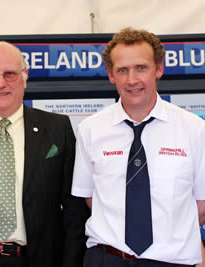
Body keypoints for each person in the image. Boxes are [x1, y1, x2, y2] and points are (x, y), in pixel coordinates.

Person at [0, 41, 89, 267]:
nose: (1, 83)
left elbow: (75, 209)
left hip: (42, 259)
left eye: (10, 74)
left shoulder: (57, 129)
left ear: (25, 76)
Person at [72, 27, 205, 266]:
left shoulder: (194, 129)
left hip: (170, 261)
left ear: (159, 69)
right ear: (111, 75)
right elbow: (91, 199)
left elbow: (202, 205)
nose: (132, 80)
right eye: (122, 70)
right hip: (106, 260)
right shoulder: (90, 130)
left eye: (141, 68)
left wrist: (168, 239)